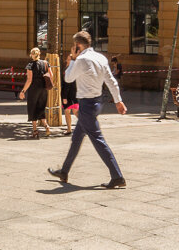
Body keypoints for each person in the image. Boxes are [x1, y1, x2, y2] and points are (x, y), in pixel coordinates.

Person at [48, 31, 126, 188]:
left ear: (78, 46)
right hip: (97, 102)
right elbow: (111, 81)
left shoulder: (81, 60)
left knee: (98, 139)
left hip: (86, 105)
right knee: (76, 138)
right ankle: (64, 171)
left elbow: (68, 78)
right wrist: (118, 101)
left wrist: (72, 60)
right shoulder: (101, 58)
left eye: (73, 46)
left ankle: (117, 176)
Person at [20, 47, 52, 137]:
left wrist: (23, 91)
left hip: (34, 89)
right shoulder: (45, 63)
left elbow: (29, 80)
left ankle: (35, 130)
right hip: (43, 89)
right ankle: (46, 126)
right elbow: (51, 75)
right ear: (39, 54)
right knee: (41, 108)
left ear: (31, 55)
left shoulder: (30, 65)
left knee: (32, 109)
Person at [60, 54, 78, 135]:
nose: (67, 60)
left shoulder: (70, 70)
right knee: (70, 112)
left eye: (69, 59)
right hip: (71, 93)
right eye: (67, 58)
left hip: (70, 94)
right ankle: (69, 129)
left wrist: (64, 97)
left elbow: (68, 84)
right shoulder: (66, 68)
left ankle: (70, 129)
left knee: (72, 111)